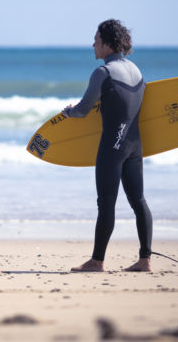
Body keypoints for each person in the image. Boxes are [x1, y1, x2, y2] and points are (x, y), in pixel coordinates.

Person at [63, 19, 153, 272]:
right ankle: (145, 259)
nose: (93, 44)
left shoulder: (102, 73)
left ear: (107, 44)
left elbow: (83, 110)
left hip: (113, 147)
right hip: (135, 147)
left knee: (106, 203)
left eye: (97, 40)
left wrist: (69, 112)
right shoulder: (137, 71)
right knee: (139, 201)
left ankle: (97, 261)